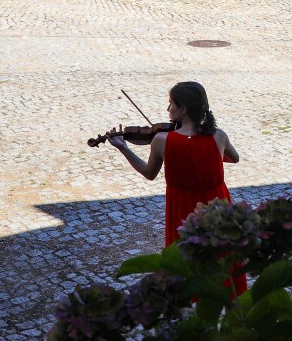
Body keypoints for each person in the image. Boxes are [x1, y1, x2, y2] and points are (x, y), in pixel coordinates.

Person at [104, 81, 245, 294]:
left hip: (183, 209)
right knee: (222, 256)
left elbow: (148, 173)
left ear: (183, 109)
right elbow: (233, 158)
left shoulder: (162, 140)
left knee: (186, 262)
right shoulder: (218, 136)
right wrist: (206, 157)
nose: (168, 109)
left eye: (171, 104)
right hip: (217, 204)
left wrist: (124, 148)